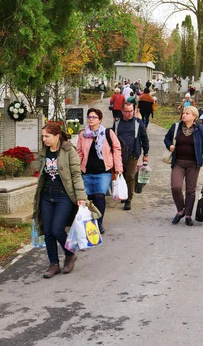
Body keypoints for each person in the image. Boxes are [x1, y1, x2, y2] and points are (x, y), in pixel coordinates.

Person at [32, 122, 93, 278]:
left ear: (57, 136)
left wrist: (81, 197)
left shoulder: (68, 150)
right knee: (47, 231)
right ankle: (54, 264)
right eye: (43, 136)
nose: (44, 139)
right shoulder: (44, 151)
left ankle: (70, 254)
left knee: (57, 229)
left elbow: (76, 175)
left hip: (63, 195)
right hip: (46, 195)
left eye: (47, 136)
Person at [77, 108, 123, 234]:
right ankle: (91, 222)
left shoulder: (108, 133)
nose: (91, 119)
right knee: (90, 198)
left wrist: (118, 167)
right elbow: (79, 152)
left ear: (100, 119)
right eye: (89, 117)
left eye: (94, 117)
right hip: (87, 171)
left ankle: (99, 222)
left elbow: (117, 149)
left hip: (103, 171)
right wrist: (76, 169)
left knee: (100, 196)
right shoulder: (83, 135)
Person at [164, 106, 203, 226]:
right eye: (183, 113)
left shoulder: (199, 129)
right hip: (178, 162)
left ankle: (188, 215)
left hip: (193, 163)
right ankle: (181, 210)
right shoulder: (176, 127)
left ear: (194, 117)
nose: (183, 115)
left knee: (190, 190)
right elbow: (167, 138)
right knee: (175, 187)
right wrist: (169, 145)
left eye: (187, 113)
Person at [114, 102, 150, 210]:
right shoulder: (117, 123)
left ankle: (129, 200)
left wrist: (146, 154)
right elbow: (112, 138)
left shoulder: (138, 123)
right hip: (119, 154)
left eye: (131, 111)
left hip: (133, 153)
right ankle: (124, 194)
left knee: (130, 176)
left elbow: (144, 139)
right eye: (127, 111)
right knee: (122, 175)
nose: (129, 114)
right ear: (122, 111)